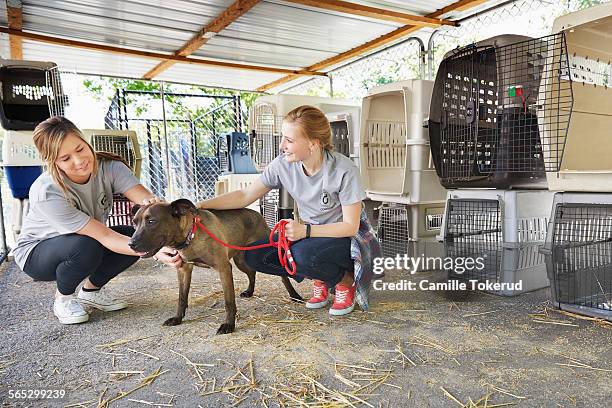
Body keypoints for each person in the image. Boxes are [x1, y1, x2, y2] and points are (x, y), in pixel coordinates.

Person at [200, 105, 381, 316]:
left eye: (289, 140)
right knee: (254, 256)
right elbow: (245, 195)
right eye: (283, 137)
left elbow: (350, 227)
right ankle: (320, 276)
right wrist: (202, 205)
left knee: (302, 255)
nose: (282, 145)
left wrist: (305, 231)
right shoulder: (283, 165)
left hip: (344, 240)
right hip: (311, 237)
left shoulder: (344, 170)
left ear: (313, 144)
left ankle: (345, 280)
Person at [12, 116, 183, 325]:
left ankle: (91, 292)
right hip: (37, 254)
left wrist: (161, 230)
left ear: (85, 141)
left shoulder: (110, 167)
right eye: (65, 159)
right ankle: (63, 299)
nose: (79, 161)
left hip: (85, 240)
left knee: (133, 236)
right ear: (53, 161)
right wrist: (154, 252)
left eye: (80, 149)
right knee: (87, 245)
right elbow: (103, 234)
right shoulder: (47, 191)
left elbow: (147, 202)